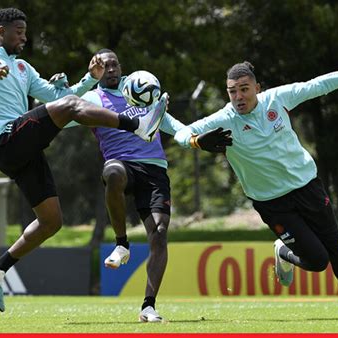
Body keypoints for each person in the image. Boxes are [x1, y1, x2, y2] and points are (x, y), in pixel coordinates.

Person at [0, 8, 168, 312]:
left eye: (24, 31)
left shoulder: (23, 67)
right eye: (19, 31)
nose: (24, 37)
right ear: (1, 31)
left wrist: (90, 78)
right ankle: (138, 126)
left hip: (24, 149)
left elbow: (60, 97)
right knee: (71, 106)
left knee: (51, 221)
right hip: (6, 139)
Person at [174, 43, 338, 319]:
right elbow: (181, 134)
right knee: (317, 261)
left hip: (307, 185)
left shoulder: (276, 99)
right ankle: (283, 251)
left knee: (336, 247)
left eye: (244, 89)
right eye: (233, 91)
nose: (238, 97)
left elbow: (318, 85)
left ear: (257, 88)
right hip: (271, 203)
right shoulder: (225, 119)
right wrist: (196, 141)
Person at [76, 48, 232, 322]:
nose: (110, 69)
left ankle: (148, 306)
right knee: (112, 173)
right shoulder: (91, 98)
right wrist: (80, 83)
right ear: (97, 70)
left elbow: (175, 127)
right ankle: (122, 244)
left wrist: (196, 140)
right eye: (104, 65)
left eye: (114, 64)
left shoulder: (142, 91)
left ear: (121, 68)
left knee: (159, 233)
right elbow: (65, 110)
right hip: (121, 163)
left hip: (154, 169)